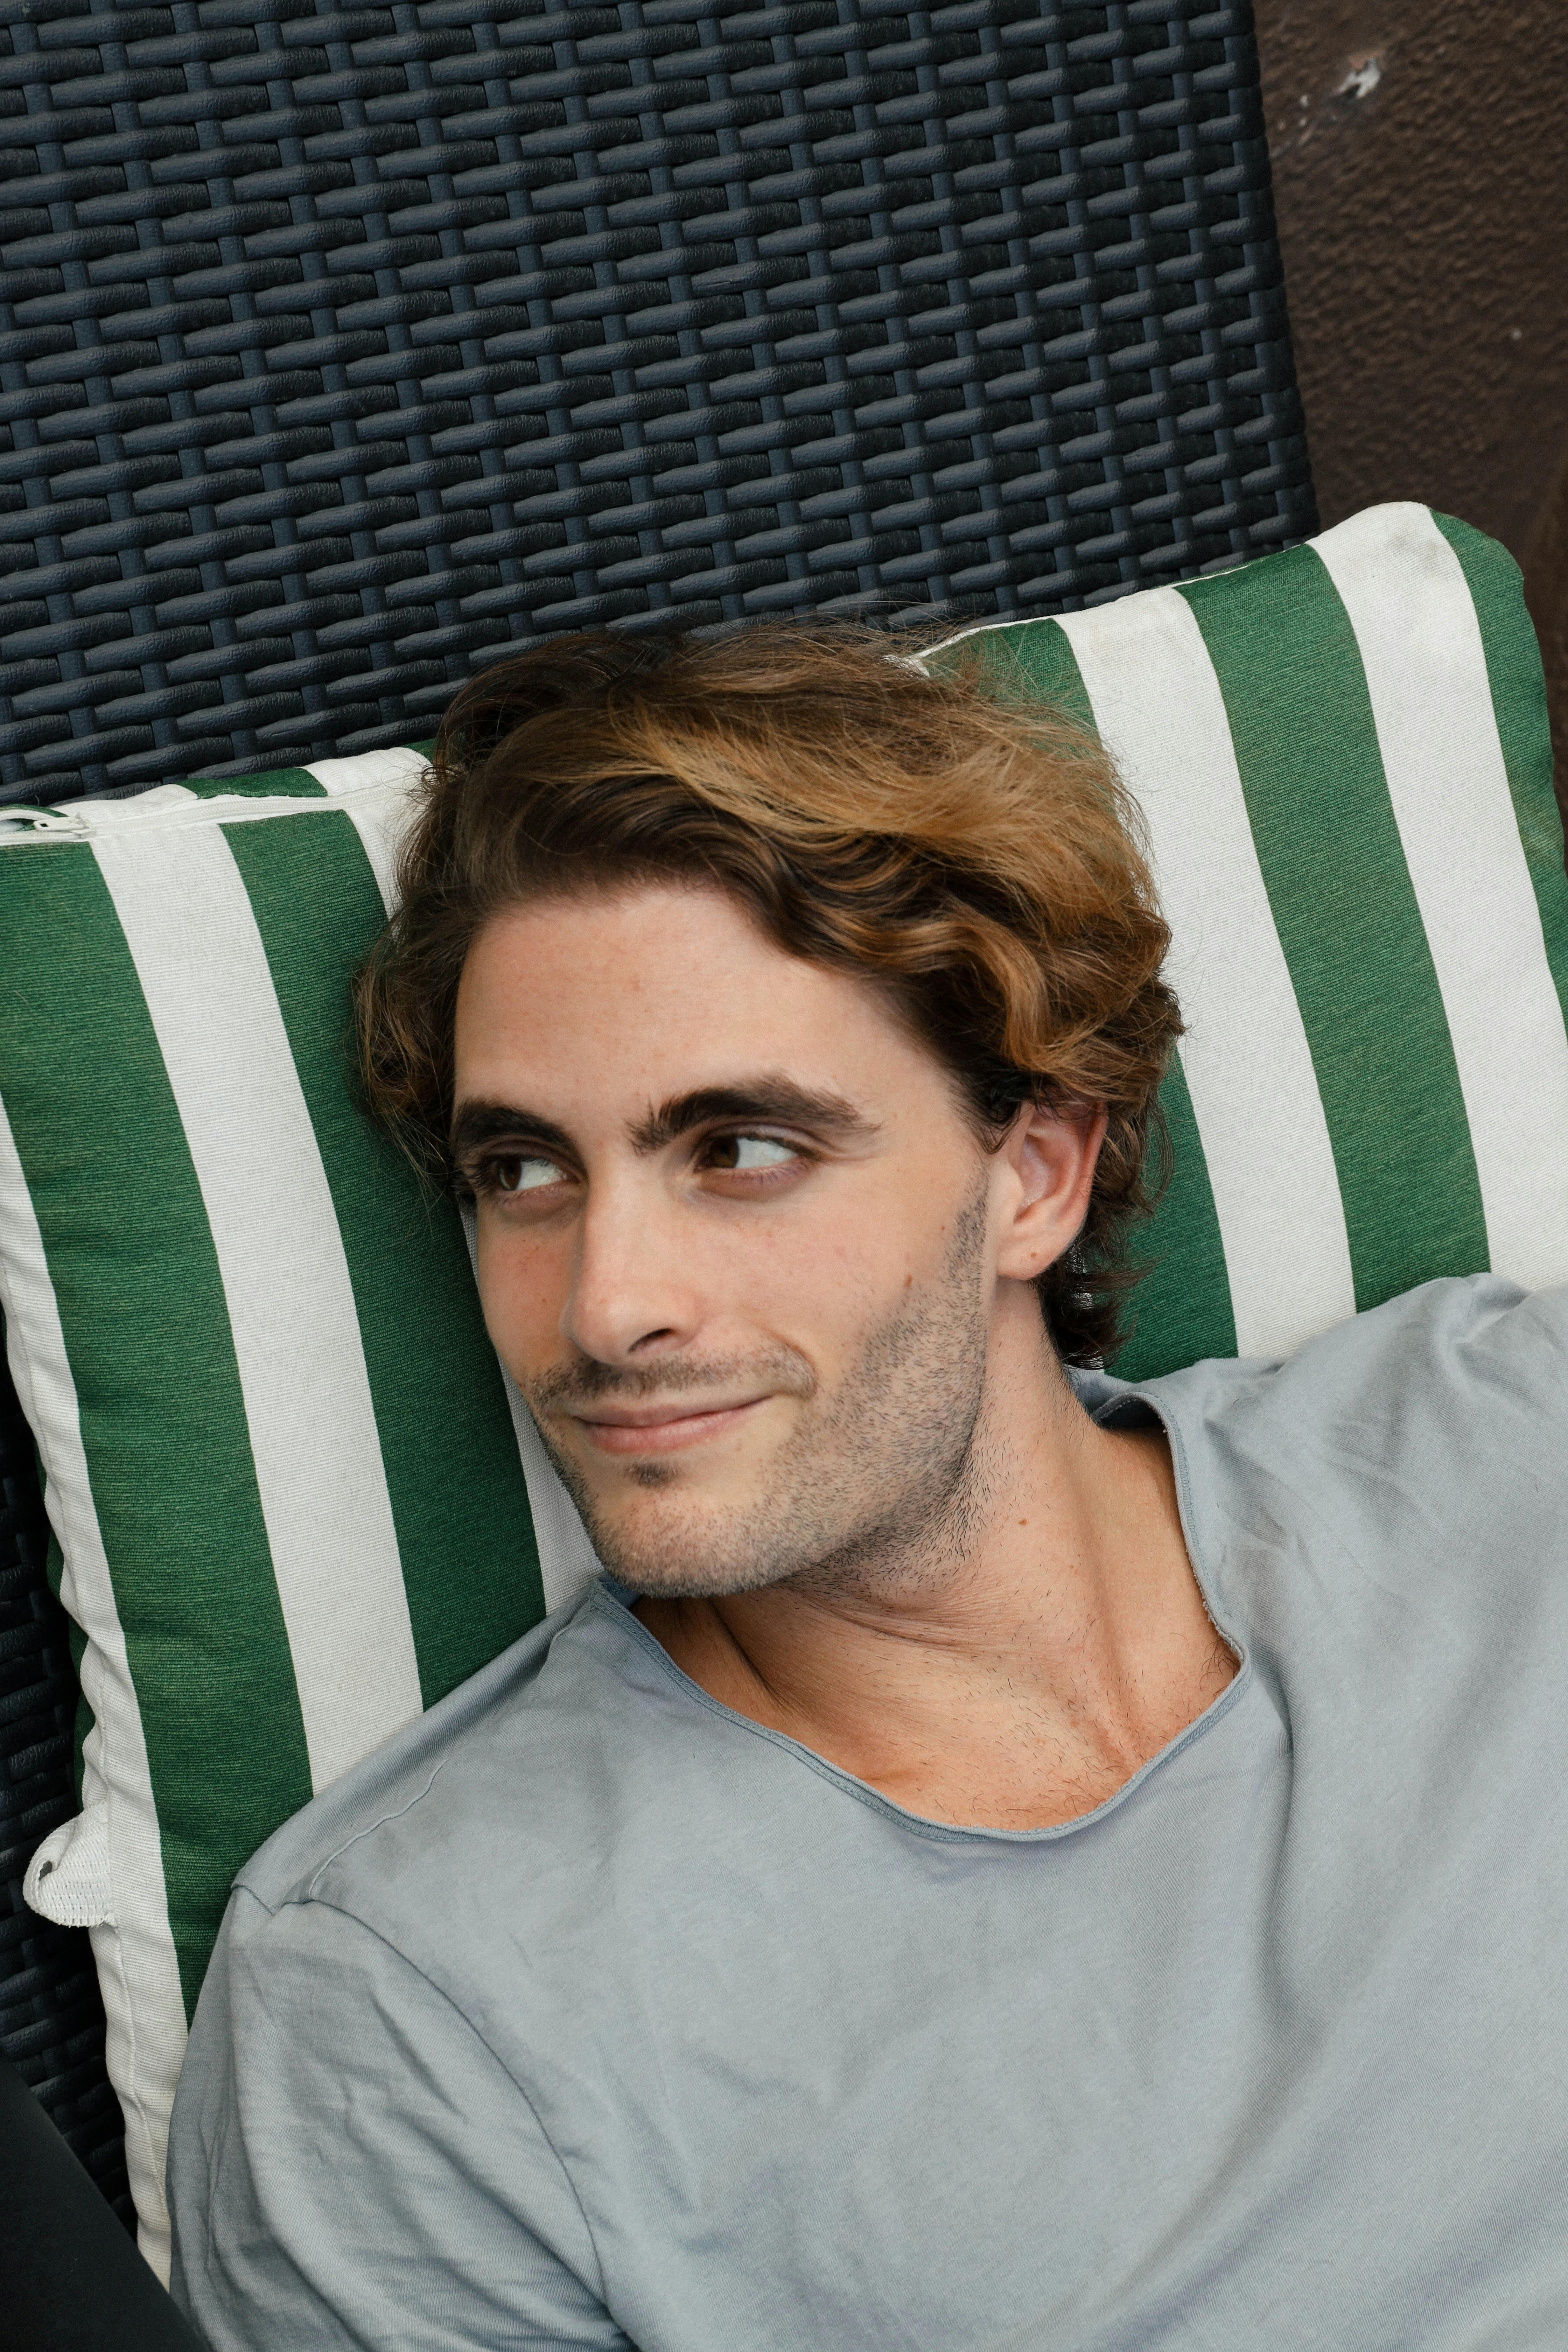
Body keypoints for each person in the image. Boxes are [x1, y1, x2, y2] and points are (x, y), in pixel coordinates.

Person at [167, 624, 1568, 2349]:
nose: (606, 1306)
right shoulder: (411, 2009)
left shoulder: (1508, 1434)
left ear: (1032, 1176)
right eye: (521, 1170)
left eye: (738, 1149)